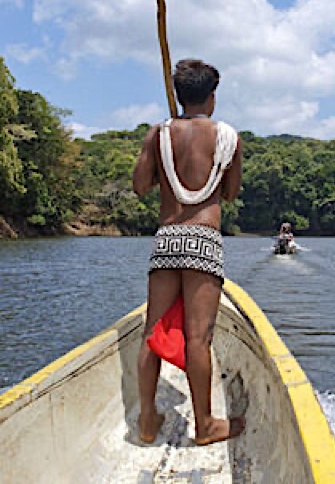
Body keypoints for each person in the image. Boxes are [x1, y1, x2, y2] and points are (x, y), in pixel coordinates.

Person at [132, 58, 245, 446]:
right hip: (204, 241)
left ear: (178, 95)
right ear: (211, 98)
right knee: (199, 339)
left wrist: (166, 149)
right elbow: (229, 193)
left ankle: (147, 421)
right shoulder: (229, 137)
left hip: (167, 239)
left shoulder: (157, 134)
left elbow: (139, 185)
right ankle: (206, 424)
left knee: (151, 333)